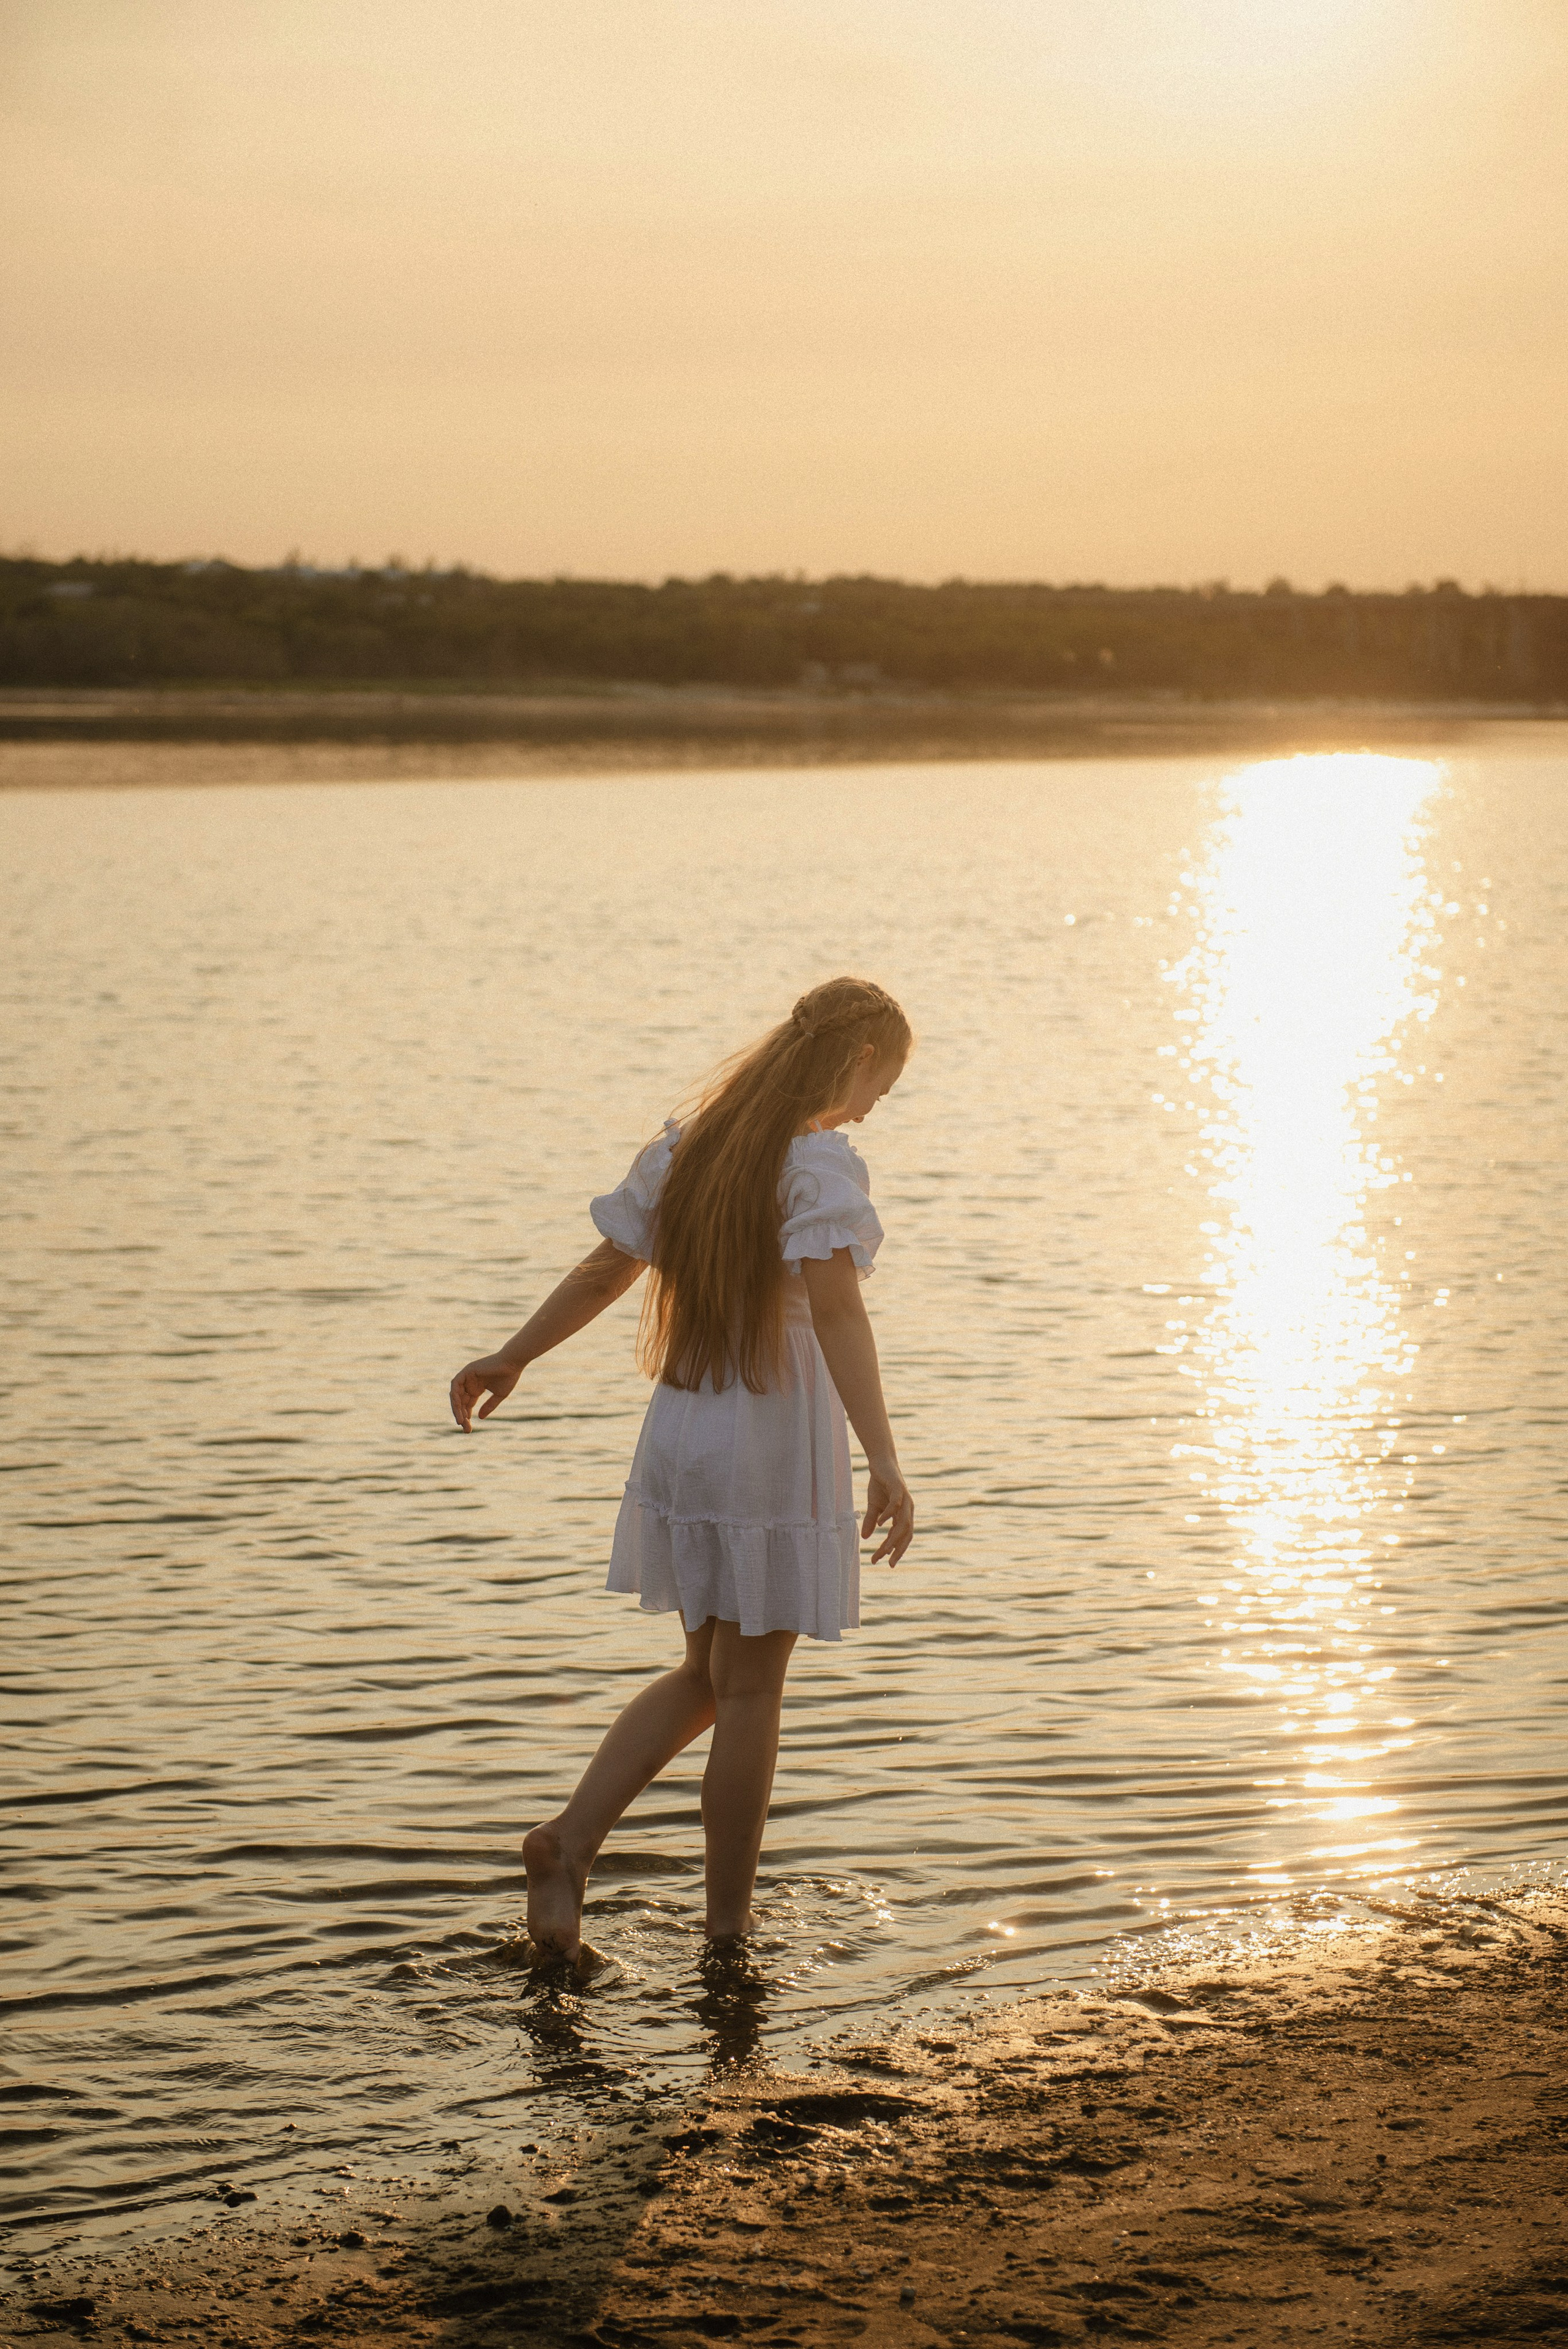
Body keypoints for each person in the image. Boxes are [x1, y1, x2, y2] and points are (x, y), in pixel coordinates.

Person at [448, 976, 915, 1966]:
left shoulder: (694, 1146)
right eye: (887, 1084)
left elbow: (606, 1269)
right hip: (770, 1431)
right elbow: (836, 1313)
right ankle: (727, 1936)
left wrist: (513, 1355)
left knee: (709, 1675)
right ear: (860, 1062)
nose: (878, 1106)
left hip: (687, 1425)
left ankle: (569, 1843)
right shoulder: (817, 1165)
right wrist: (884, 1456)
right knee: (752, 1691)